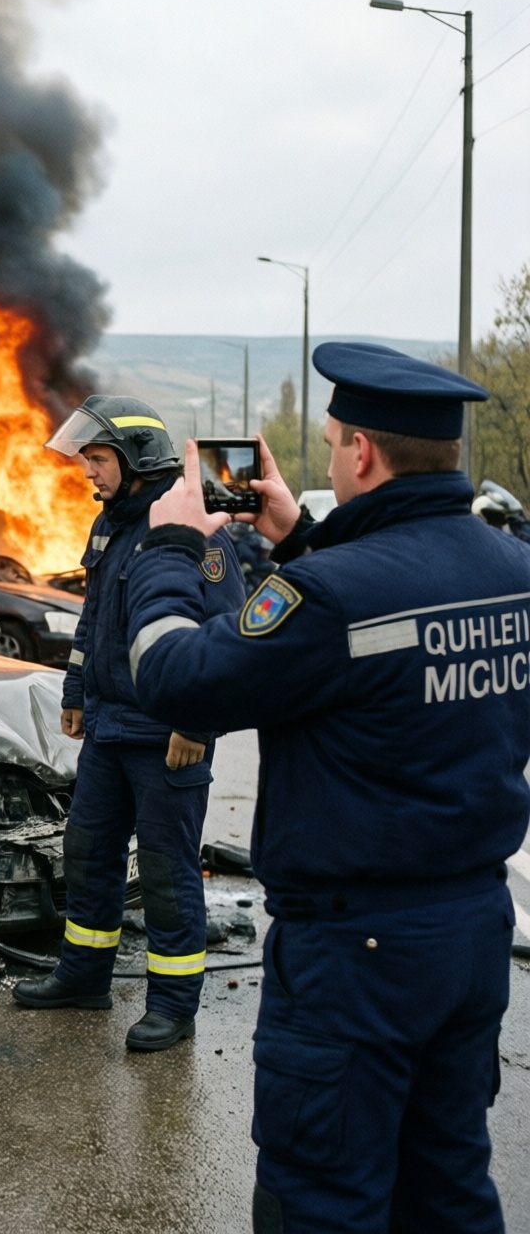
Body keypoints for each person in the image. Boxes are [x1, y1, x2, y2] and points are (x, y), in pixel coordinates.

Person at [125, 342, 530, 1231]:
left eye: (337, 436)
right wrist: (297, 538)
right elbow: (394, 634)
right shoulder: (512, 572)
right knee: (450, 1185)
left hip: (359, 957)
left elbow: (176, 679)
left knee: (325, 1201)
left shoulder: (332, 597)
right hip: (470, 935)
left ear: (359, 454)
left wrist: (169, 550)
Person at [11, 395, 243, 1054]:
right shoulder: (109, 524)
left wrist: (196, 723)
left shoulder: (197, 525)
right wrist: (77, 688)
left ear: (138, 457)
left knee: (168, 875)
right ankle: (83, 977)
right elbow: (92, 621)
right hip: (110, 729)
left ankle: (173, 1005)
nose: (88, 470)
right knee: (88, 855)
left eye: (98, 457)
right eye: (85, 458)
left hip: (169, 736)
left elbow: (224, 634)